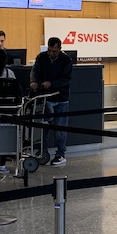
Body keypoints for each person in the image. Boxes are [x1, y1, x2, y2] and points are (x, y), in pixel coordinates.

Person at [31, 36, 73, 166]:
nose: (51, 53)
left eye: (54, 51)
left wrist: (52, 84)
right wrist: (33, 81)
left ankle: (60, 154)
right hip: (45, 98)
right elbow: (35, 70)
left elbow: (66, 79)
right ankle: (42, 153)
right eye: (49, 50)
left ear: (60, 49)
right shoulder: (41, 57)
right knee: (44, 128)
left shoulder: (66, 60)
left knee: (60, 129)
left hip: (61, 98)